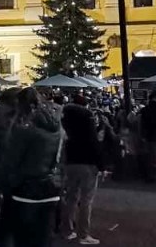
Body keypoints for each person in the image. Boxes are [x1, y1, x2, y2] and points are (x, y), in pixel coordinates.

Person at [0, 87, 63, 247]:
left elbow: (10, 163)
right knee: (41, 239)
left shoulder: (24, 131)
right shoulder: (55, 127)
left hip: (25, 192)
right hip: (49, 190)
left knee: (16, 238)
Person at [59, 94, 102, 245]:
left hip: (71, 161)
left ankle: (67, 230)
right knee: (86, 199)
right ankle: (83, 234)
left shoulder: (67, 119)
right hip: (88, 161)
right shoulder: (87, 117)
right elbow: (93, 141)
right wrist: (101, 163)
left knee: (71, 197)